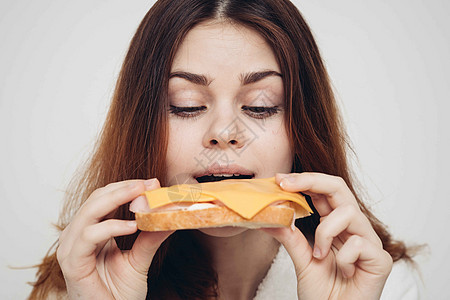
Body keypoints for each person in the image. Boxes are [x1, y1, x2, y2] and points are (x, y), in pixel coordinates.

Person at [29, 0, 421, 299]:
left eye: (261, 106)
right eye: (186, 105)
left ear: (303, 126)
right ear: (143, 124)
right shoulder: (80, 283)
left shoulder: (377, 283)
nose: (225, 132)